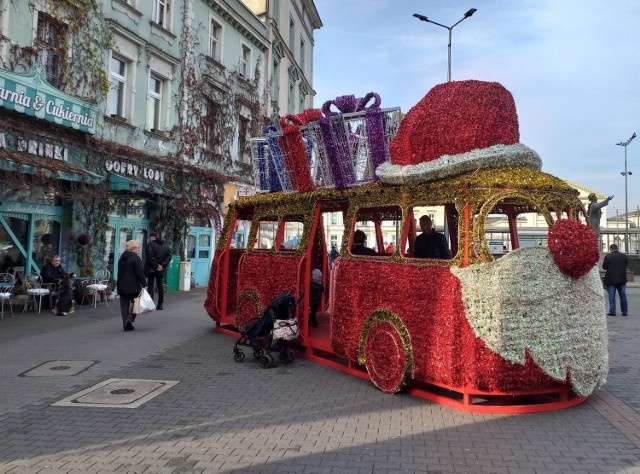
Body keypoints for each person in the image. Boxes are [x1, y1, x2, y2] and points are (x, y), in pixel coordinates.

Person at [117, 240, 147, 331]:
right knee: (136, 304)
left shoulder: (121, 258)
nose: (138, 250)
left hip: (122, 285)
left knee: (124, 306)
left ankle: (125, 323)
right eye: (137, 248)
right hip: (133, 286)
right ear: (133, 248)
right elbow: (140, 273)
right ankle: (129, 320)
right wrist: (144, 284)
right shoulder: (135, 258)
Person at [145, 232, 172, 310]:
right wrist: (162, 265)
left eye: (150, 237)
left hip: (151, 269)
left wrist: (156, 265)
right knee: (160, 286)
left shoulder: (150, 245)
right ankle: (160, 304)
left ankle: (151, 304)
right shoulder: (166, 246)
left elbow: (150, 257)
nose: (150, 239)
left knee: (150, 286)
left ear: (153, 237)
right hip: (160, 269)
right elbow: (169, 257)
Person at [603, 244, 628, 317]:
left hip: (611, 279)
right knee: (623, 295)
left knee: (611, 296)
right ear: (617, 248)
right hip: (622, 279)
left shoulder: (608, 256)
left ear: (610, 249)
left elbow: (604, 267)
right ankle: (624, 311)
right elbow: (626, 265)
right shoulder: (624, 256)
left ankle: (612, 311)